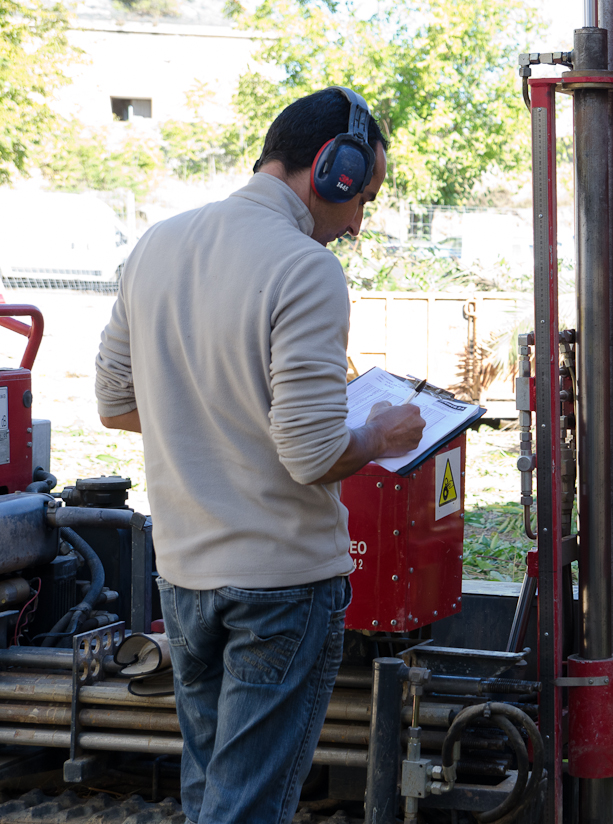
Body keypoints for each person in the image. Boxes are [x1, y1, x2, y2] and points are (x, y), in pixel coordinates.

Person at [95, 87, 425, 824]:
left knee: (210, 788)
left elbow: (116, 405)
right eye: (361, 197)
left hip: (182, 575)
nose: (358, 223)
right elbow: (312, 455)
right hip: (281, 580)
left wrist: (211, 415)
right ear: (330, 170)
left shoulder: (156, 245)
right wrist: (383, 434)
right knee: (247, 807)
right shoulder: (305, 268)